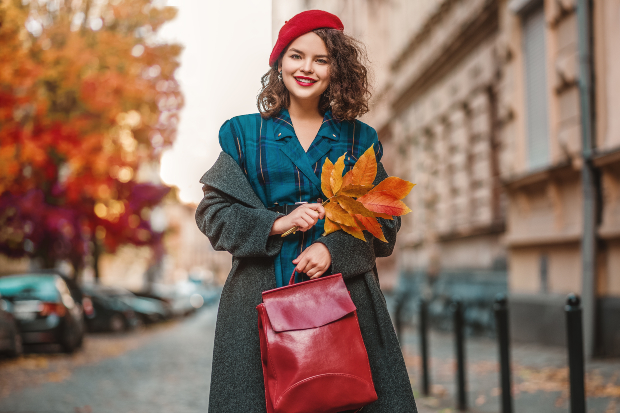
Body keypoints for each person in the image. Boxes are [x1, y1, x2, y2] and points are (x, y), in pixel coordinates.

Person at [195, 9, 418, 412]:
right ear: (279, 62)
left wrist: (333, 248)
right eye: (297, 56)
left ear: (337, 70)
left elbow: (387, 219)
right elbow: (213, 215)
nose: (307, 68)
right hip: (256, 297)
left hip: (344, 296)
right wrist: (276, 223)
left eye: (321, 59)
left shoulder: (358, 138)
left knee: (344, 395)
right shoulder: (243, 134)